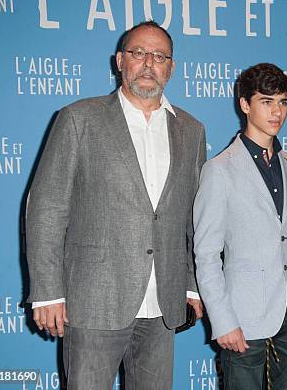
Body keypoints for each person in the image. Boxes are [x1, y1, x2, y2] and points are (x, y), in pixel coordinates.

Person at [25, 20, 205, 389]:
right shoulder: (79, 119)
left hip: (163, 304)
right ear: (120, 60)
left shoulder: (191, 129)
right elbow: (46, 208)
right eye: (139, 53)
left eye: (159, 56)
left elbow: (194, 217)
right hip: (94, 301)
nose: (148, 63)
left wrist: (192, 285)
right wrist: (47, 292)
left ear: (171, 67)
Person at [193, 63, 287, 389]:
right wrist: (223, 322)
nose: (277, 112)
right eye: (266, 101)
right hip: (243, 318)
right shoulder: (219, 170)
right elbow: (206, 254)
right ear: (245, 104)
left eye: (283, 102)